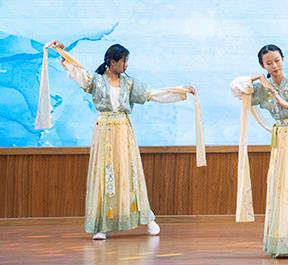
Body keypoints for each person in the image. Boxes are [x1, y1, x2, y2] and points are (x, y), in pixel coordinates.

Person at [48, 41, 197, 240]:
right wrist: (61, 51)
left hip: (124, 131)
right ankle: (102, 225)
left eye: (127, 61)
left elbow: (151, 94)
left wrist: (181, 91)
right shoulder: (96, 81)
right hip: (104, 131)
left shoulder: (129, 83)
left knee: (129, 171)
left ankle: (147, 219)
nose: (126, 65)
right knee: (105, 173)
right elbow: (76, 70)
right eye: (123, 61)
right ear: (112, 61)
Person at [230, 44, 288, 257]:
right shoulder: (262, 88)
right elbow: (236, 88)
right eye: (269, 63)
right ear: (263, 65)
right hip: (282, 139)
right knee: (282, 186)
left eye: (277, 60)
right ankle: (282, 239)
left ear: (283, 59)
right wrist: (256, 78)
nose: (274, 66)